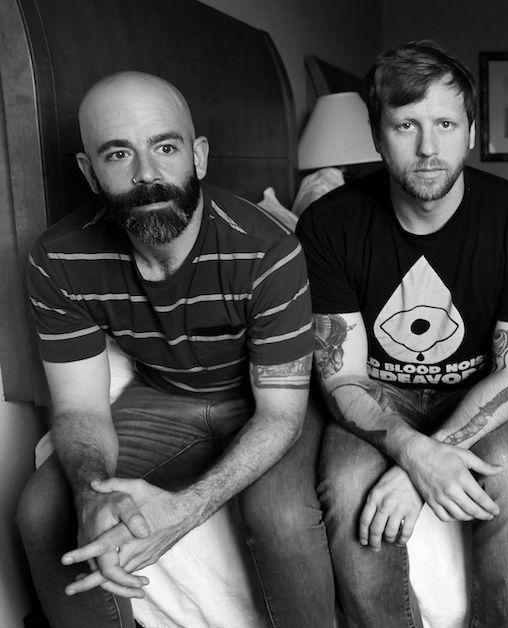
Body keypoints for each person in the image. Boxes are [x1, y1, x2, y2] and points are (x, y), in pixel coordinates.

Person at [16, 71, 315, 627]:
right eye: (118, 154)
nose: (146, 174)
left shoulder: (269, 250)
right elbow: (81, 407)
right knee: (42, 512)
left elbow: (281, 413)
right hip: (163, 397)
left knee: (283, 518)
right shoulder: (60, 258)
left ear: (198, 156)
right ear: (89, 171)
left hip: (261, 400)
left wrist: (185, 511)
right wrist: (91, 495)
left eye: (165, 147)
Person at [295, 41, 508, 628]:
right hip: (377, 391)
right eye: (406, 125)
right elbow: (341, 377)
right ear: (376, 134)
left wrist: (430, 461)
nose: (428, 148)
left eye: (445, 124)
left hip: (479, 388)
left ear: (471, 131)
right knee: (349, 486)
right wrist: (415, 454)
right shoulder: (329, 224)